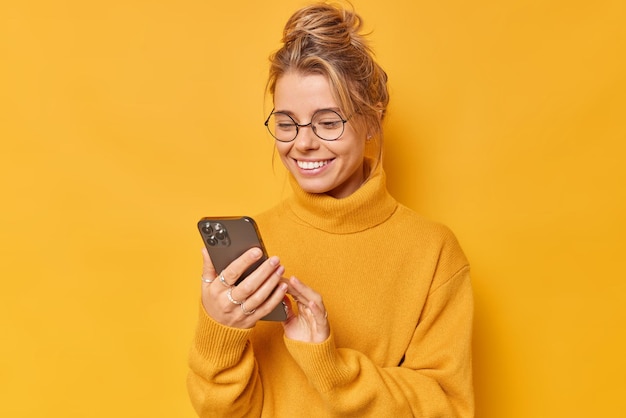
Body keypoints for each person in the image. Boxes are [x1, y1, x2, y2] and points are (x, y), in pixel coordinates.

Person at [187, 2, 474, 417]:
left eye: (327, 122)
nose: (302, 143)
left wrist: (331, 365)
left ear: (372, 122)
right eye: (287, 123)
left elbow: (448, 408)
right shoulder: (255, 253)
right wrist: (221, 334)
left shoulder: (433, 252)